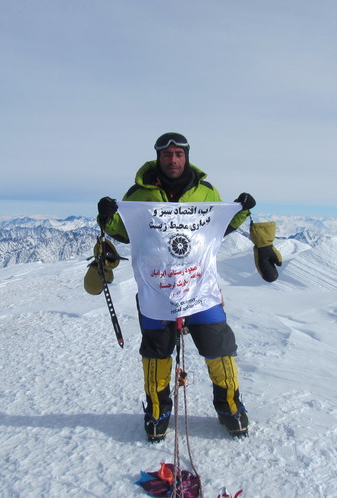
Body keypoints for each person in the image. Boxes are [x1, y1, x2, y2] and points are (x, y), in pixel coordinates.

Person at [96, 132, 256, 441]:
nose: (173, 160)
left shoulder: (207, 192)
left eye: (178, 154)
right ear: (158, 157)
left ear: (187, 155)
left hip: (199, 288)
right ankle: (158, 412)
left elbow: (216, 229)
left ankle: (230, 408)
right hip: (158, 290)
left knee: (220, 349)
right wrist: (108, 218)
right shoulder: (137, 194)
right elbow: (128, 233)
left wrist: (242, 210)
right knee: (156, 354)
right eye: (167, 154)